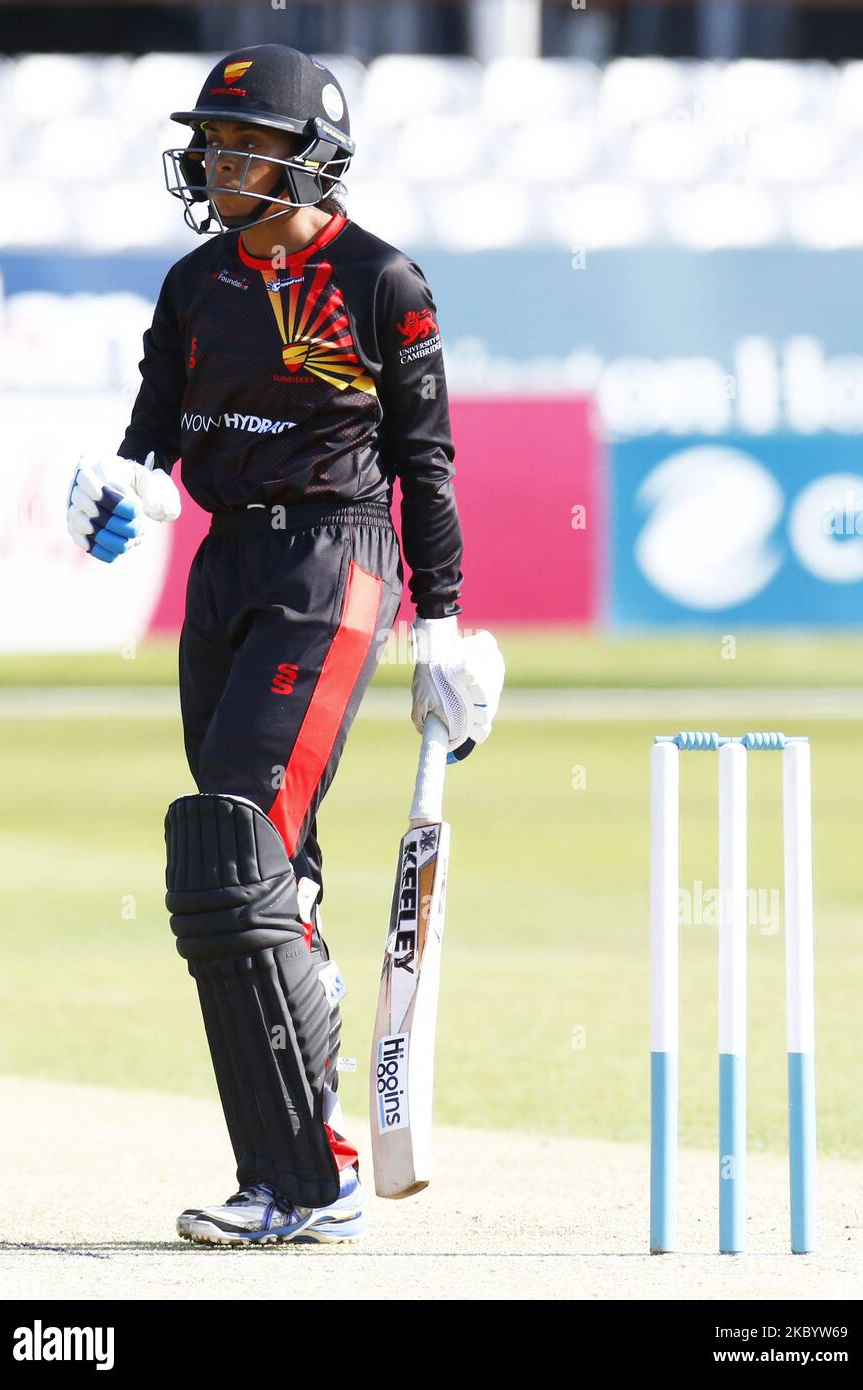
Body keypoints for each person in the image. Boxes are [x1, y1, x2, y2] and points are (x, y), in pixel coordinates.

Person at [65, 43, 505, 1246]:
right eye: (209, 139)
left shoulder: (381, 282)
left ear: (306, 157)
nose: (214, 158)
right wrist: (117, 488)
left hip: (333, 562)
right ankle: (307, 1159)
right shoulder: (193, 281)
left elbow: (426, 466)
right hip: (223, 570)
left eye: (240, 141)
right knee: (254, 872)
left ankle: (307, 1181)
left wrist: (445, 625)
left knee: (234, 842)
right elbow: (151, 435)